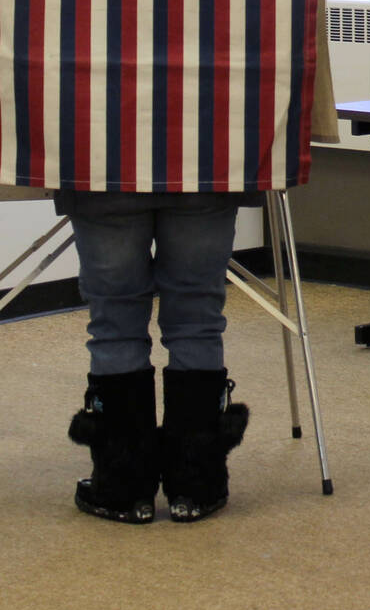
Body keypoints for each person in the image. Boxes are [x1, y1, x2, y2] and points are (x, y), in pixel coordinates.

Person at [57, 189, 255, 524]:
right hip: (206, 155)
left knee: (115, 320)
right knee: (197, 317)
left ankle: (124, 488)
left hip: (103, 159)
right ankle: (196, 484)